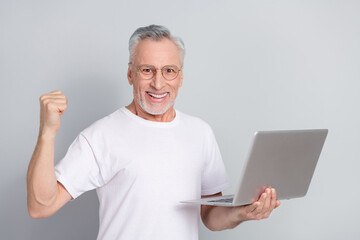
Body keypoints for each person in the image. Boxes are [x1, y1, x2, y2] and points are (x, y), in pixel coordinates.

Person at [27, 25, 280, 239]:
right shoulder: (101, 135)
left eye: (168, 71)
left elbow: (210, 215)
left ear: (180, 77)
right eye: (147, 70)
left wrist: (242, 212)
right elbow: (41, 206)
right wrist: (47, 132)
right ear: (130, 74)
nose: (158, 83)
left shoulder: (200, 132)